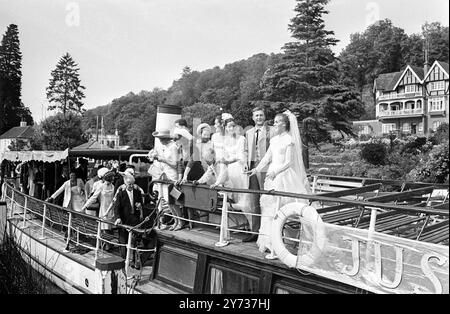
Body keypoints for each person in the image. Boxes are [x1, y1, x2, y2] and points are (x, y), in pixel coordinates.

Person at [247, 111, 312, 260]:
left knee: (282, 209)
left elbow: (289, 162)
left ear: (284, 124)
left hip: (283, 176)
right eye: (275, 122)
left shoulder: (289, 139)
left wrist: (276, 171)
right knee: (269, 209)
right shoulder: (275, 140)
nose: (274, 124)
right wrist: (256, 169)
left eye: (277, 122)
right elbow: (267, 157)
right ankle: (269, 241)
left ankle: (285, 241)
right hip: (272, 177)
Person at [243, 107, 276, 242]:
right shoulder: (249, 132)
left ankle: (268, 233)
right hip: (252, 169)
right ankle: (255, 231)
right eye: (256, 115)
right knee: (254, 200)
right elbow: (245, 150)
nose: (259, 118)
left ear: (265, 116)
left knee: (267, 201)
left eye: (261, 115)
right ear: (253, 117)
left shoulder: (272, 131)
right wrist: (245, 162)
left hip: (266, 170)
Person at [221, 118, 257, 232]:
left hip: (239, 169)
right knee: (232, 199)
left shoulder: (241, 139)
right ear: (225, 128)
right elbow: (224, 156)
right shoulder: (225, 141)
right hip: (229, 171)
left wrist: (229, 161)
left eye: (232, 126)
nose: (230, 128)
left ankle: (253, 227)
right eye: (228, 126)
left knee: (244, 199)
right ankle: (240, 225)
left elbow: (242, 156)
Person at [112, 174, 144, 267]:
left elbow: (141, 204)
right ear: (125, 184)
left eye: (132, 184)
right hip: (124, 220)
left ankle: (135, 261)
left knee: (135, 241)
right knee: (123, 241)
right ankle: (124, 260)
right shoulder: (121, 194)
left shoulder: (137, 193)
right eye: (129, 184)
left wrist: (140, 207)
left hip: (134, 220)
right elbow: (116, 208)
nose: (131, 186)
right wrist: (118, 218)